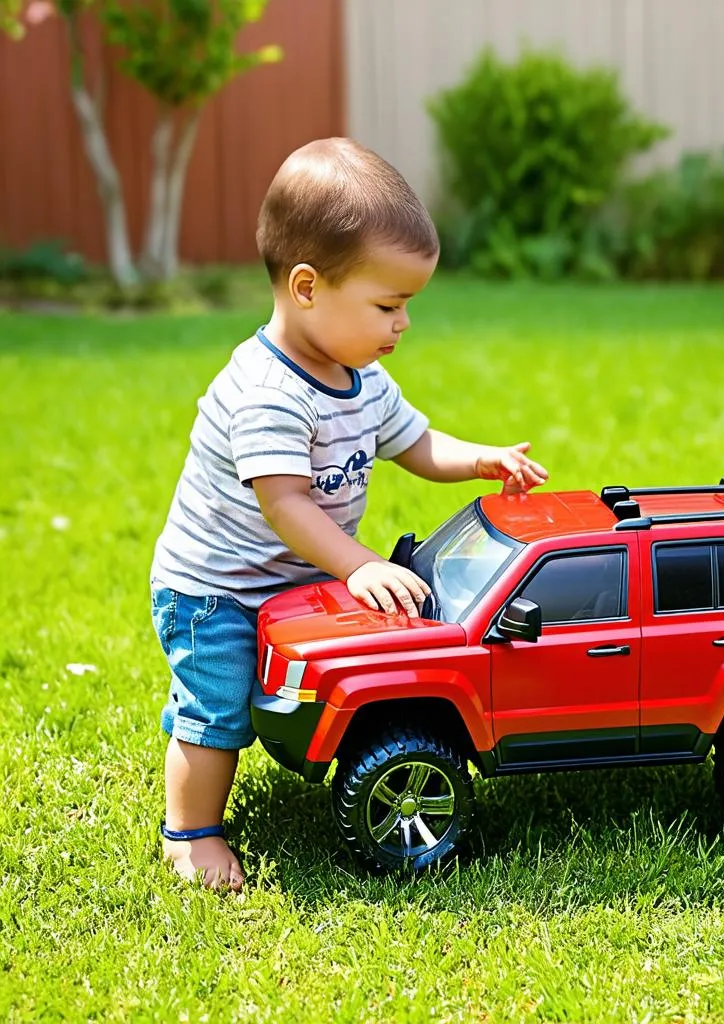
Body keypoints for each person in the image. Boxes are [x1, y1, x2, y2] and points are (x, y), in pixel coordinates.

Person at [150, 138, 548, 889]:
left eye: (407, 306)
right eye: (387, 304)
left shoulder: (359, 377)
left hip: (300, 579)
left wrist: (481, 458)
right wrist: (362, 564)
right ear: (307, 288)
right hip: (217, 591)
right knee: (220, 705)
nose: (402, 325)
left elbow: (416, 441)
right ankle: (192, 832)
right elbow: (285, 503)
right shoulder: (268, 391)